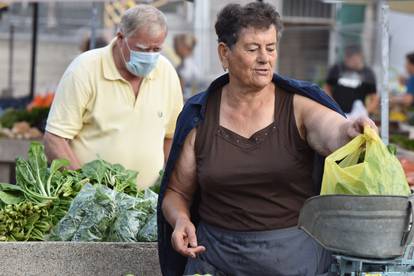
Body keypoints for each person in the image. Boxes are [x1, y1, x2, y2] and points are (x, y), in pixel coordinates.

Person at [157, 2, 376, 276]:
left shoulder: (298, 107)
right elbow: (177, 192)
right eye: (252, 49)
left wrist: (351, 130)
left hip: (294, 263)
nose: (265, 58)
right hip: (216, 262)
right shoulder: (200, 117)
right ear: (224, 53)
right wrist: (180, 219)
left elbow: (332, 131)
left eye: (270, 48)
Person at [44, 5, 183, 190]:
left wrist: (171, 187)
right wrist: (84, 190)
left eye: (156, 49)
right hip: (90, 202)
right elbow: (55, 139)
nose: (150, 56)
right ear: (120, 38)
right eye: (142, 49)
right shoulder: (85, 69)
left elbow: (172, 137)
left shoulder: (166, 73)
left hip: (145, 203)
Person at [325, 45, 378, 115]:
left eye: (351, 57)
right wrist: (332, 105)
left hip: (357, 115)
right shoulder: (337, 68)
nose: (348, 60)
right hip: (337, 114)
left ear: (360, 56)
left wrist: (364, 112)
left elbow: (374, 98)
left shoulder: (368, 73)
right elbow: (327, 89)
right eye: (347, 57)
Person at [173, 33, 202, 101]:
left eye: (176, 45)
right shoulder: (185, 65)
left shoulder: (186, 68)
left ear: (184, 47)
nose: (175, 48)